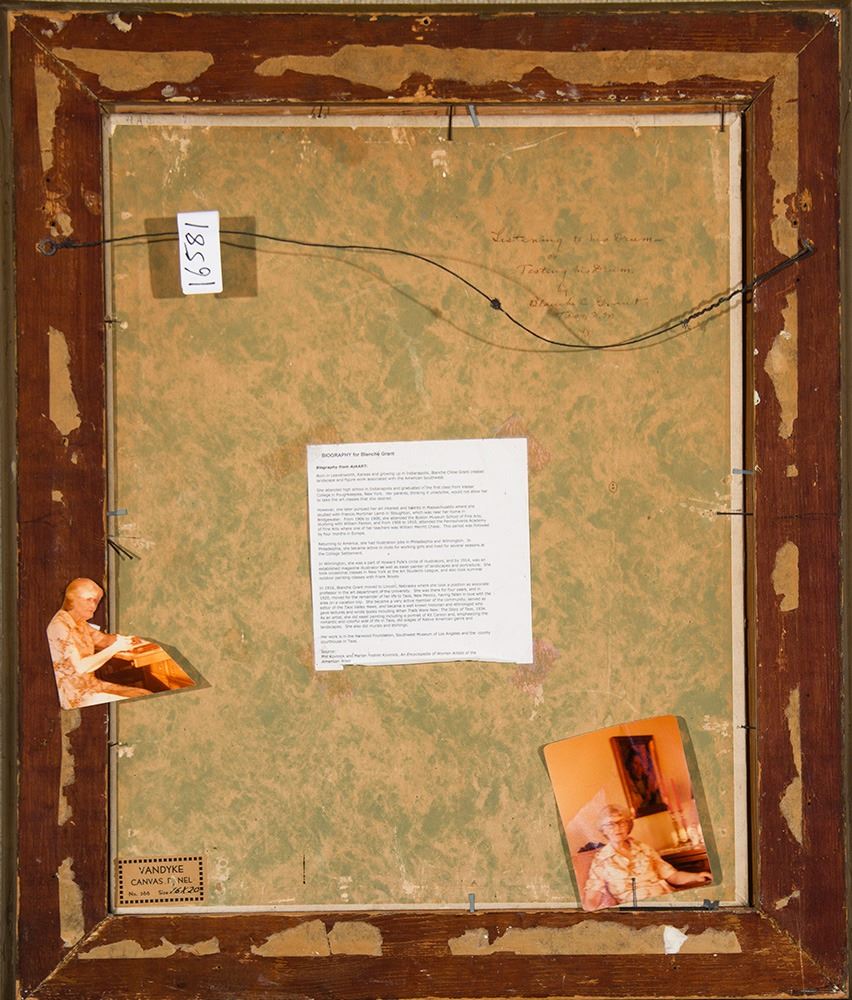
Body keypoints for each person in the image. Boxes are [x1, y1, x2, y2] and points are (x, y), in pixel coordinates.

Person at [582, 804, 712, 910]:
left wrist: (696, 876)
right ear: (603, 830)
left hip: (667, 901)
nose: (617, 828)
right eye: (610, 824)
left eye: (622, 822)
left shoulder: (643, 848)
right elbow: (592, 898)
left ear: (628, 825)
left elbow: (673, 876)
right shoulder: (601, 861)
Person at [46, 578, 147, 709]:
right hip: (75, 697)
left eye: (96, 601)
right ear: (72, 599)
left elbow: (104, 640)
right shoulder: (59, 625)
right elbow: (81, 667)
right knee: (140, 704)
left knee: (144, 694)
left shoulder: (80, 622)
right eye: (89, 600)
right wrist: (115, 648)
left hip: (92, 686)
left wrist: (131, 639)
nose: (94, 606)